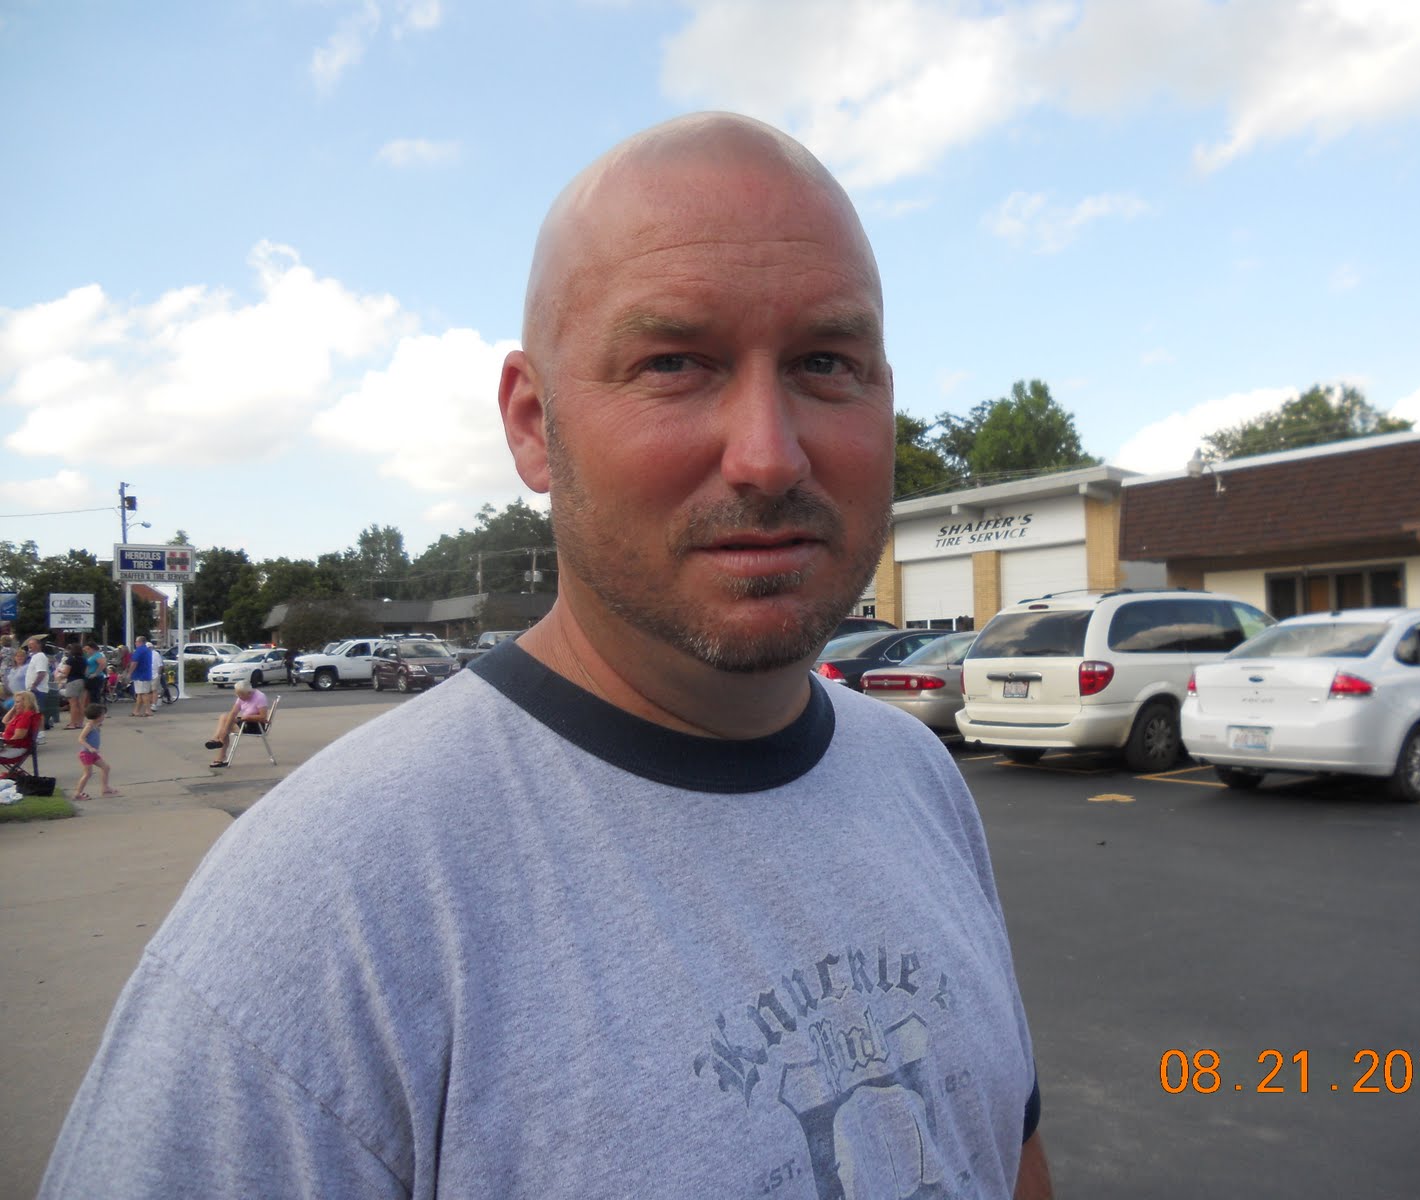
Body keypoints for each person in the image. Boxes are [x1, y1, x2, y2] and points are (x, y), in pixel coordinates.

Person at [41, 114, 1051, 1199]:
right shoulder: (326, 912)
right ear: (532, 423)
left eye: (824, 361)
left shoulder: (917, 782)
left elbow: (1001, 1154)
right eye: (674, 362)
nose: (767, 453)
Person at [204, 680, 271, 768]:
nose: (239, 697)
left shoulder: (260, 697)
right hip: (244, 722)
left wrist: (246, 717)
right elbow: (233, 712)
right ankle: (218, 740)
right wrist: (236, 721)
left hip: (255, 726)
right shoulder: (241, 696)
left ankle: (219, 748)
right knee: (224, 717)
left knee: (225, 726)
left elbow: (263, 717)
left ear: (249, 693)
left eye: (241, 695)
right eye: (237, 695)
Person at [72, 703, 118, 800]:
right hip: (86, 754)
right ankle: (77, 793)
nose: (104, 716)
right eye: (102, 714)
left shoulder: (96, 725)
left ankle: (105, 788)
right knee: (88, 774)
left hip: (93, 754)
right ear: (97, 716)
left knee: (106, 767)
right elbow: (81, 739)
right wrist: (89, 748)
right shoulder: (89, 726)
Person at [60, 638, 88, 729]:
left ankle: (72, 723)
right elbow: (86, 671)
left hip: (72, 681)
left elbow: (66, 673)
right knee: (80, 704)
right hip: (82, 680)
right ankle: (80, 723)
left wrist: (60, 674)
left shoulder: (70, 660)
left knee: (73, 704)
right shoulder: (84, 660)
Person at [127, 634, 157, 718]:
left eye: (136, 641)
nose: (135, 643)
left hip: (140, 675)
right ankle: (136, 711)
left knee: (144, 693)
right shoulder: (147, 650)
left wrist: (129, 673)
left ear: (140, 642)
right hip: (145, 674)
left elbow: (134, 663)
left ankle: (148, 710)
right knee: (140, 694)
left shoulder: (139, 650)